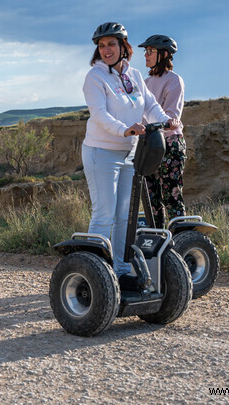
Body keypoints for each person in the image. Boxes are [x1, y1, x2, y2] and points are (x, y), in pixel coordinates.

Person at [81, 22, 179, 278]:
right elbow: (99, 115)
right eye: (101, 46)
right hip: (100, 152)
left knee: (125, 216)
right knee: (104, 213)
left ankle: (121, 269)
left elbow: (150, 105)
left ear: (123, 46)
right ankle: (95, 272)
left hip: (128, 154)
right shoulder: (95, 77)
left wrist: (167, 120)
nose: (106, 50)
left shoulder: (134, 75)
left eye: (111, 44)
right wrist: (126, 129)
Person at [139, 34, 186, 230]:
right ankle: (155, 240)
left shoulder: (174, 81)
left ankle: (181, 240)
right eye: (145, 52)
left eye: (150, 51)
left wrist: (163, 122)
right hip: (149, 145)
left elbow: (171, 115)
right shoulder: (145, 82)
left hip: (170, 143)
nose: (146, 55)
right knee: (151, 201)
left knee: (171, 196)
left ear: (164, 54)